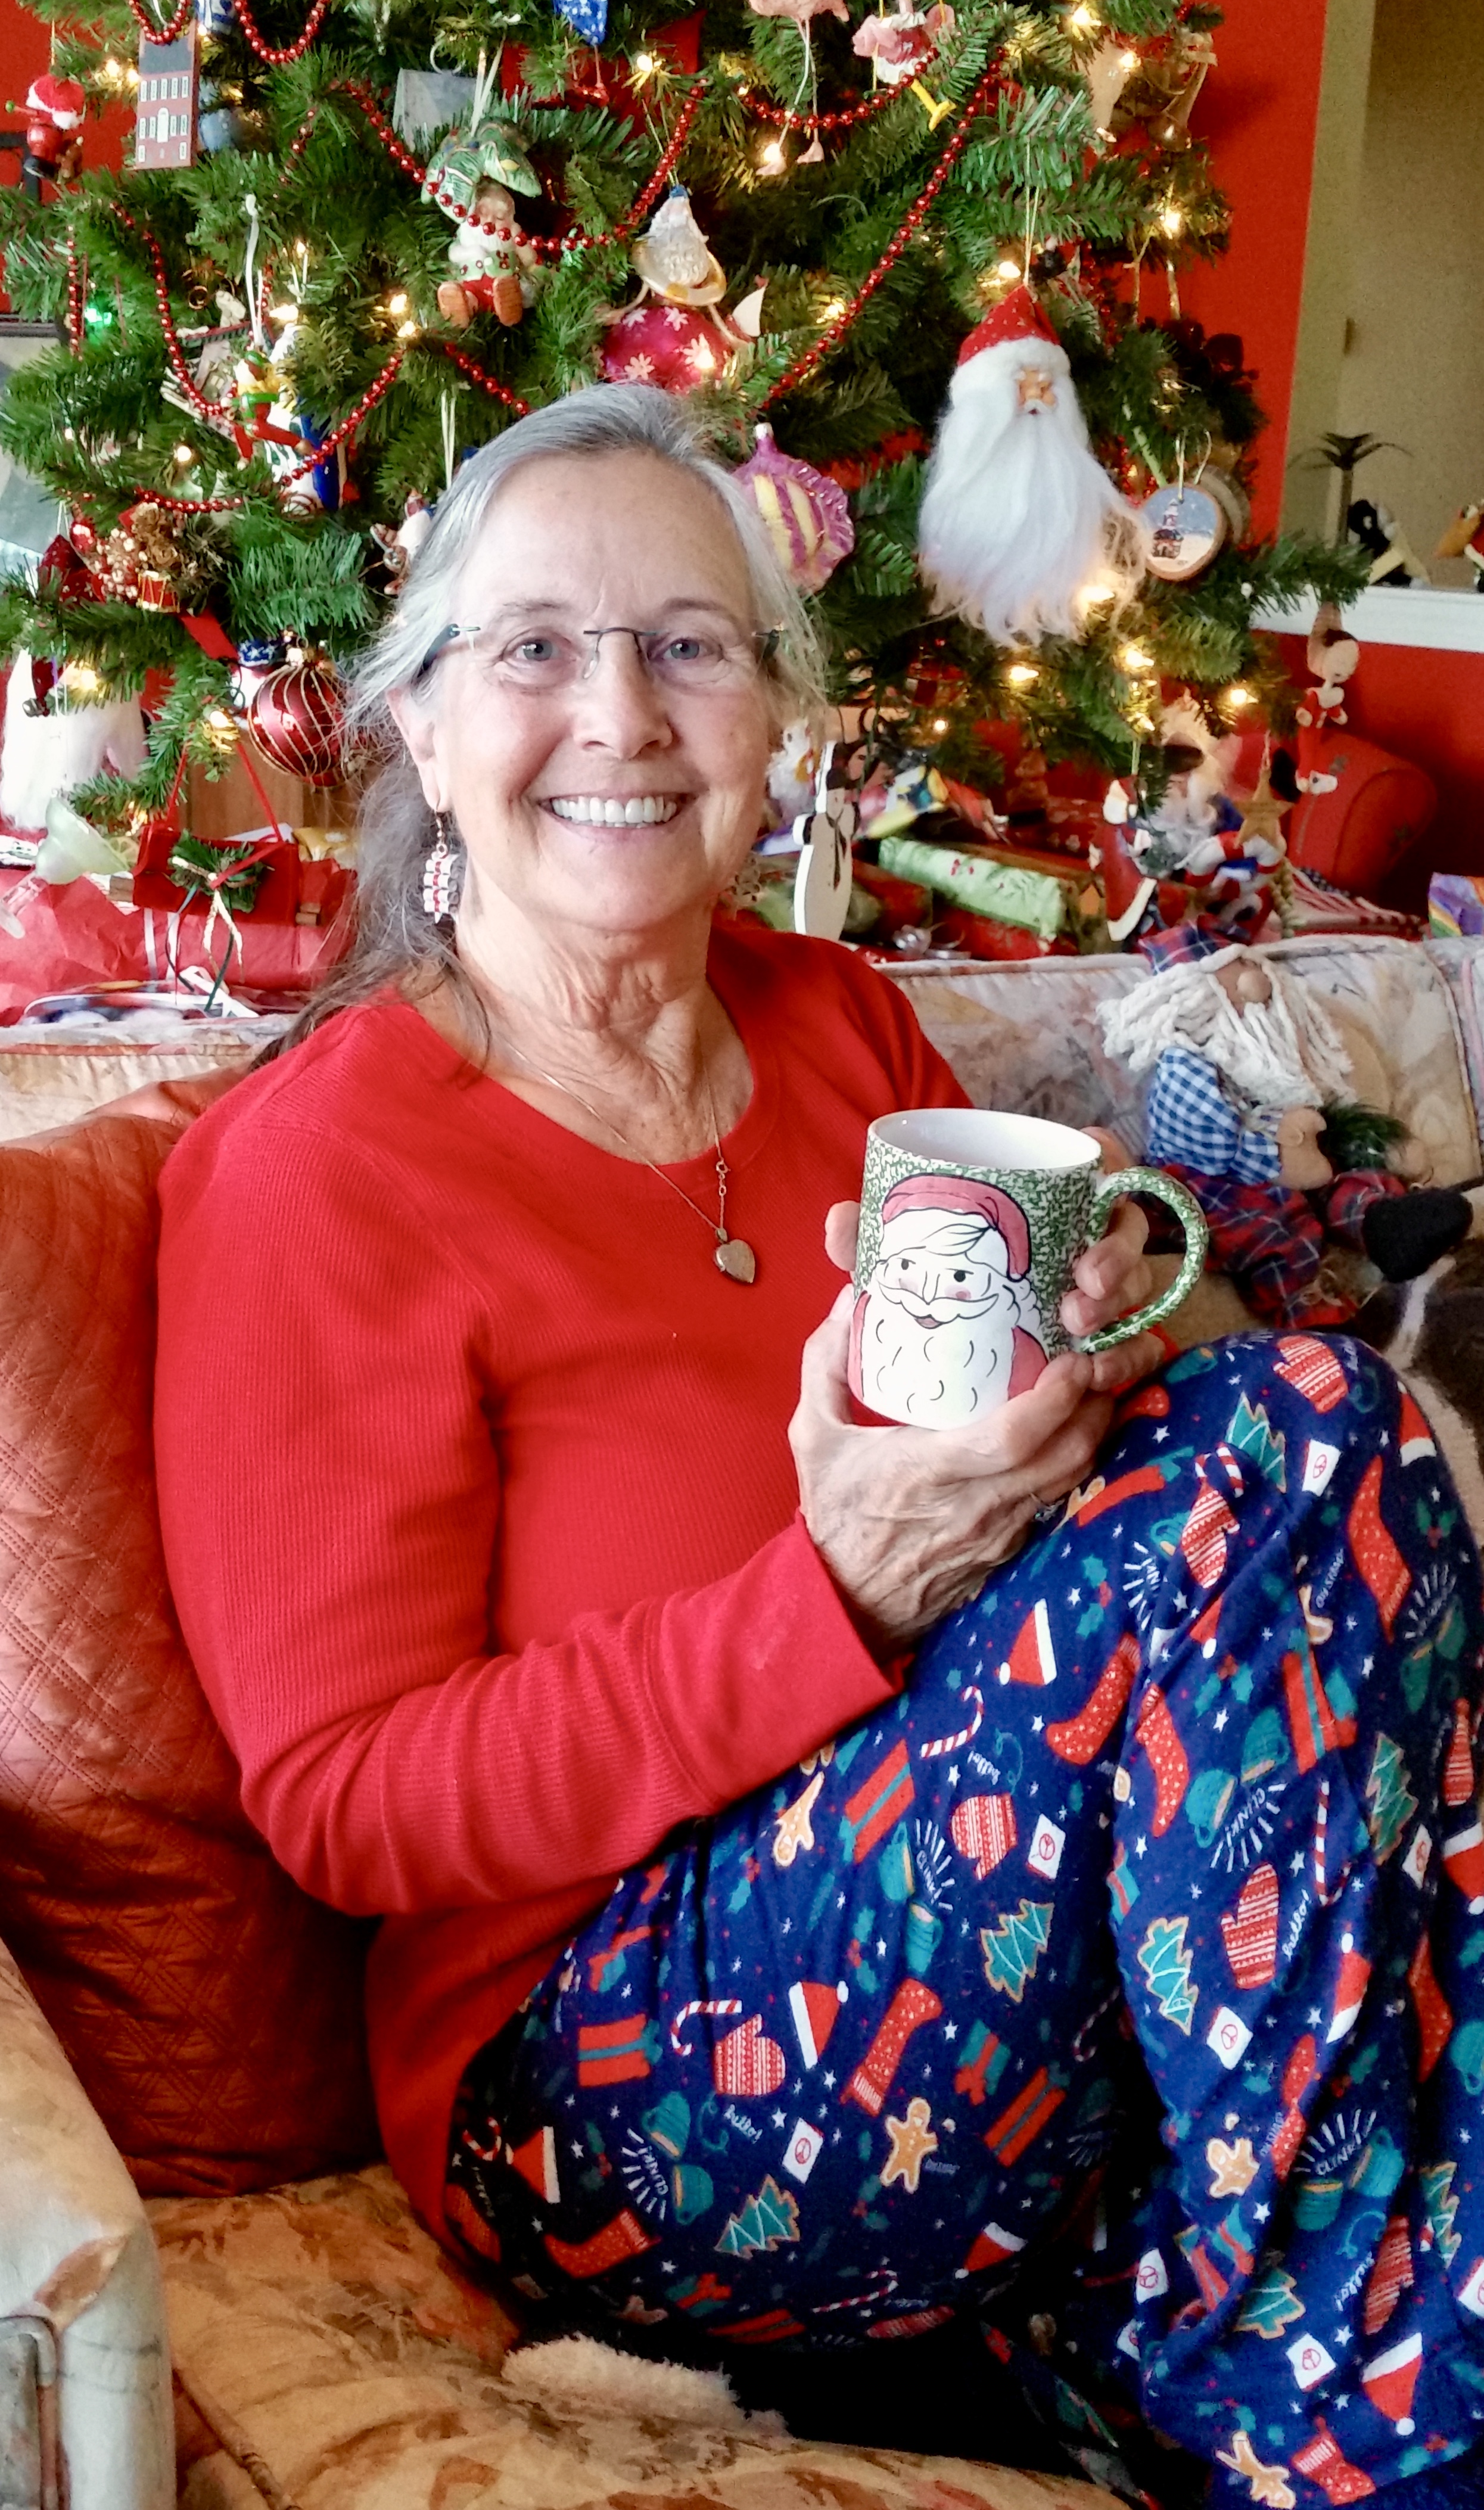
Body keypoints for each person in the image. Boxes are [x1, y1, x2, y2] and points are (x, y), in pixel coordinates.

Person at [155, 386, 1484, 2509]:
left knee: (1320, 1418)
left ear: (775, 719)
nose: (621, 713)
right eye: (535, 647)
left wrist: (1088, 1366)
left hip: (998, 1959)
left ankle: (1236, 2336)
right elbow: (344, 1800)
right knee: (1303, 1425)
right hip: (593, 2078)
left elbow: (1103, 1557)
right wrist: (834, 1596)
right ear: (422, 728)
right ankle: (1309, 2391)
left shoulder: (838, 1023)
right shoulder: (314, 1175)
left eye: (690, 644)